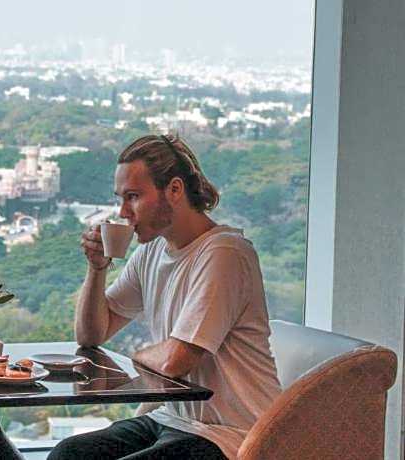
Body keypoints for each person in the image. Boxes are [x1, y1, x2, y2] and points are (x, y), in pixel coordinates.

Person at [49, 134, 281, 460]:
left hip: (232, 434)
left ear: (174, 190)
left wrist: (141, 357)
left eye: (133, 197)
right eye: (120, 198)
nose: (123, 212)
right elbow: (91, 334)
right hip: (173, 418)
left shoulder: (224, 253)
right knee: (68, 454)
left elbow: (176, 361)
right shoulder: (153, 251)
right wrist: (97, 268)